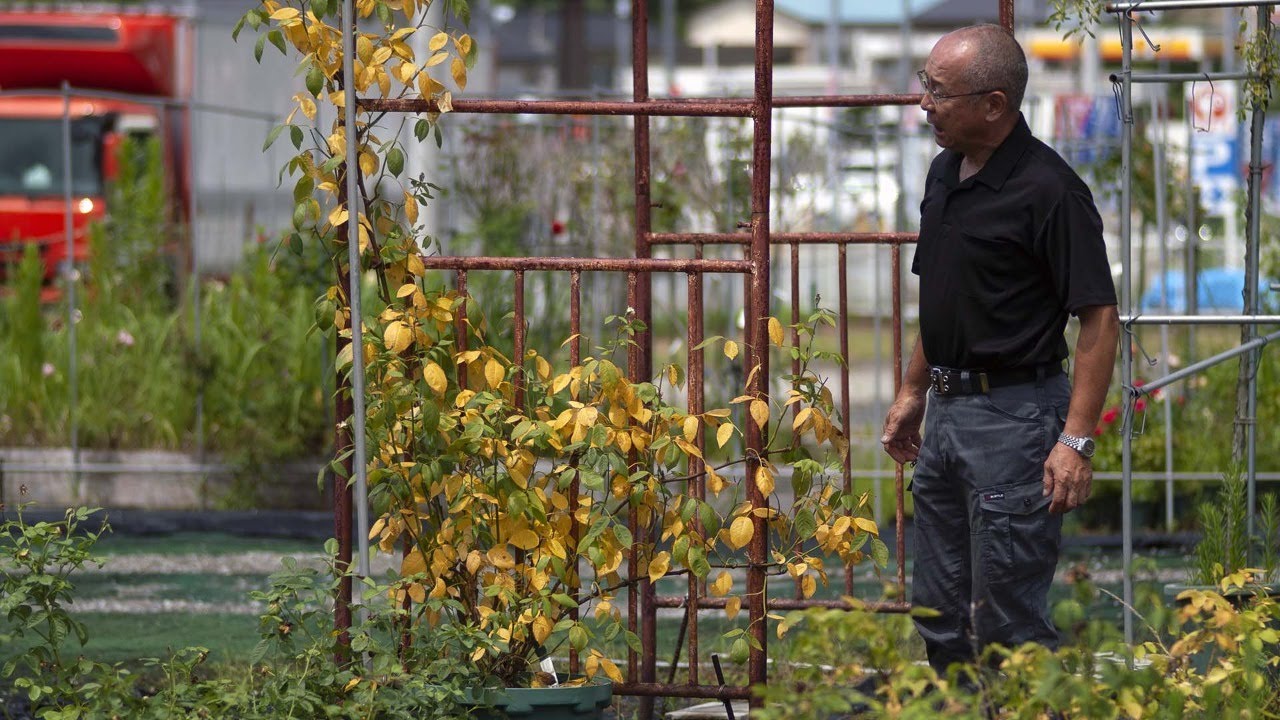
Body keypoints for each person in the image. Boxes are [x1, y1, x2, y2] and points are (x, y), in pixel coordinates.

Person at [879, 24, 1120, 673]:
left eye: (939, 91)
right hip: (947, 416)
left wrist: (1075, 441)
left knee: (1008, 622)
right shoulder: (943, 174)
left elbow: (1099, 318)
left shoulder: (1050, 190)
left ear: (993, 104)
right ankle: (959, 709)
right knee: (938, 610)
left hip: (1016, 418)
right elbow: (946, 298)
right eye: (926, 85)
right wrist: (913, 390)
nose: (924, 103)